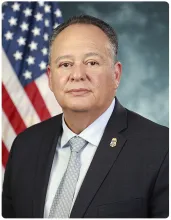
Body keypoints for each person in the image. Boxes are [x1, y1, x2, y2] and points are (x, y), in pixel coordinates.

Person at [2, 15, 168, 218]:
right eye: (65, 64)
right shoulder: (25, 145)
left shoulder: (162, 149)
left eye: (91, 62)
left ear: (116, 75)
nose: (77, 74)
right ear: (51, 78)